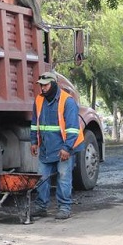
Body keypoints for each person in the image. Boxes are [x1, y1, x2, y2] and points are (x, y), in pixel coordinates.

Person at [30, 71, 82, 220]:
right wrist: (34, 142)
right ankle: (41, 207)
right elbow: (35, 124)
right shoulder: (39, 101)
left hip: (63, 148)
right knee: (42, 178)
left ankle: (64, 207)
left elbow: (72, 128)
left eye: (45, 85)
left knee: (64, 177)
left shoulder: (67, 101)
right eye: (41, 86)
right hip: (46, 147)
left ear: (53, 84)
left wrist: (67, 148)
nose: (43, 88)